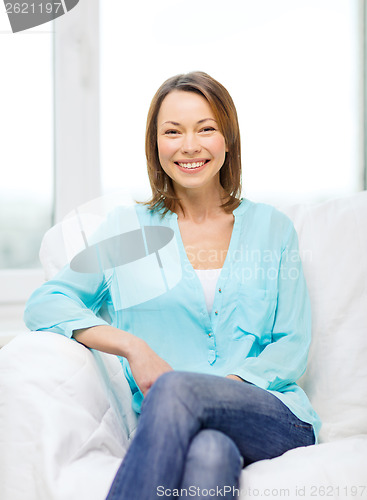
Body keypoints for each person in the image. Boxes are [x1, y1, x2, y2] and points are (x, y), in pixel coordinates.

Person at [24, 71, 321, 499]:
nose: (189, 146)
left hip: (272, 415)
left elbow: (292, 344)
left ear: (228, 140)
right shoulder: (127, 232)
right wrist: (133, 347)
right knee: (210, 452)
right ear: (155, 144)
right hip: (174, 424)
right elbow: (46, 303)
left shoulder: (272, 229)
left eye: (206, 129)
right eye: (172, 131)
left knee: (177, 386)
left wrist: (219, 388)